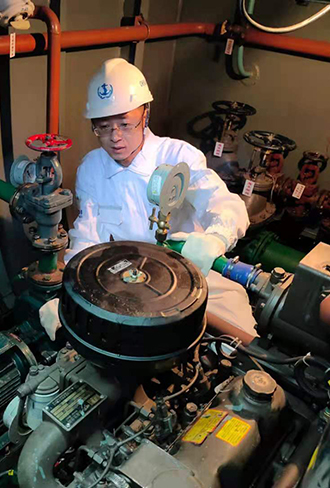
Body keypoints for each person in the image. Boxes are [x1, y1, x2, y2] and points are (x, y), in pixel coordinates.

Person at [40, 58, 256, 339]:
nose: (115, 137)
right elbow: (87, 237)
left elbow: (224, 204)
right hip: (125, 279)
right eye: (103, 127)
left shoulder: (177, 156)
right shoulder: (92, 168)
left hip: (191, 274)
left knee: (237, 339)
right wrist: (71, 294)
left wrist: (216, 238)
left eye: (125, 124)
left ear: (146, 115)